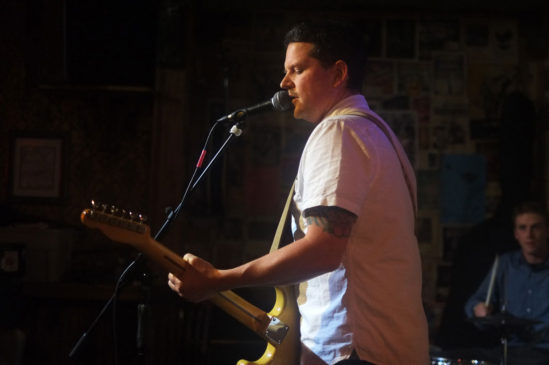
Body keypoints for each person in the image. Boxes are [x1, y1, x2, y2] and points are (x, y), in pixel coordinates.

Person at [167, 19, 430, 365]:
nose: (284, 83)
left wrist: (219, 280)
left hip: (353, 351)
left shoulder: (338, 132)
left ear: (337, 74)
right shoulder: (378, 133)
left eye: (297, 69)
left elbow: (322, 252)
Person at [463, 201, 549, 365]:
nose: (529, 235)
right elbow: (474, 302)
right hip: (512, 351)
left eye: (536, 227)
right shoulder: (506, 264)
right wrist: (478, 308)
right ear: (516, 234)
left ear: (548, 231)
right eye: (522, 228)